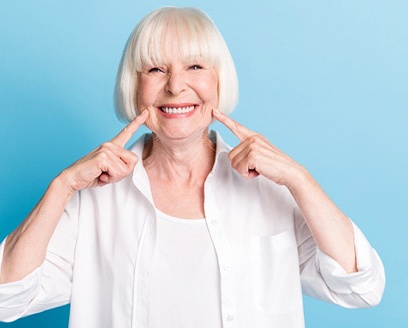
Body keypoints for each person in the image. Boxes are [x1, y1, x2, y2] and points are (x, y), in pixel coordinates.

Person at [0, 6, 385, 328]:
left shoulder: (270, 189)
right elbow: (6, 299)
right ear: (133, 87)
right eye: (155, 70)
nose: (175, 86)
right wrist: (62, 186)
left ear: (219, 81)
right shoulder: (93, 200)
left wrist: (300, 179)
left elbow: (361, 288)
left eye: (195, 66)